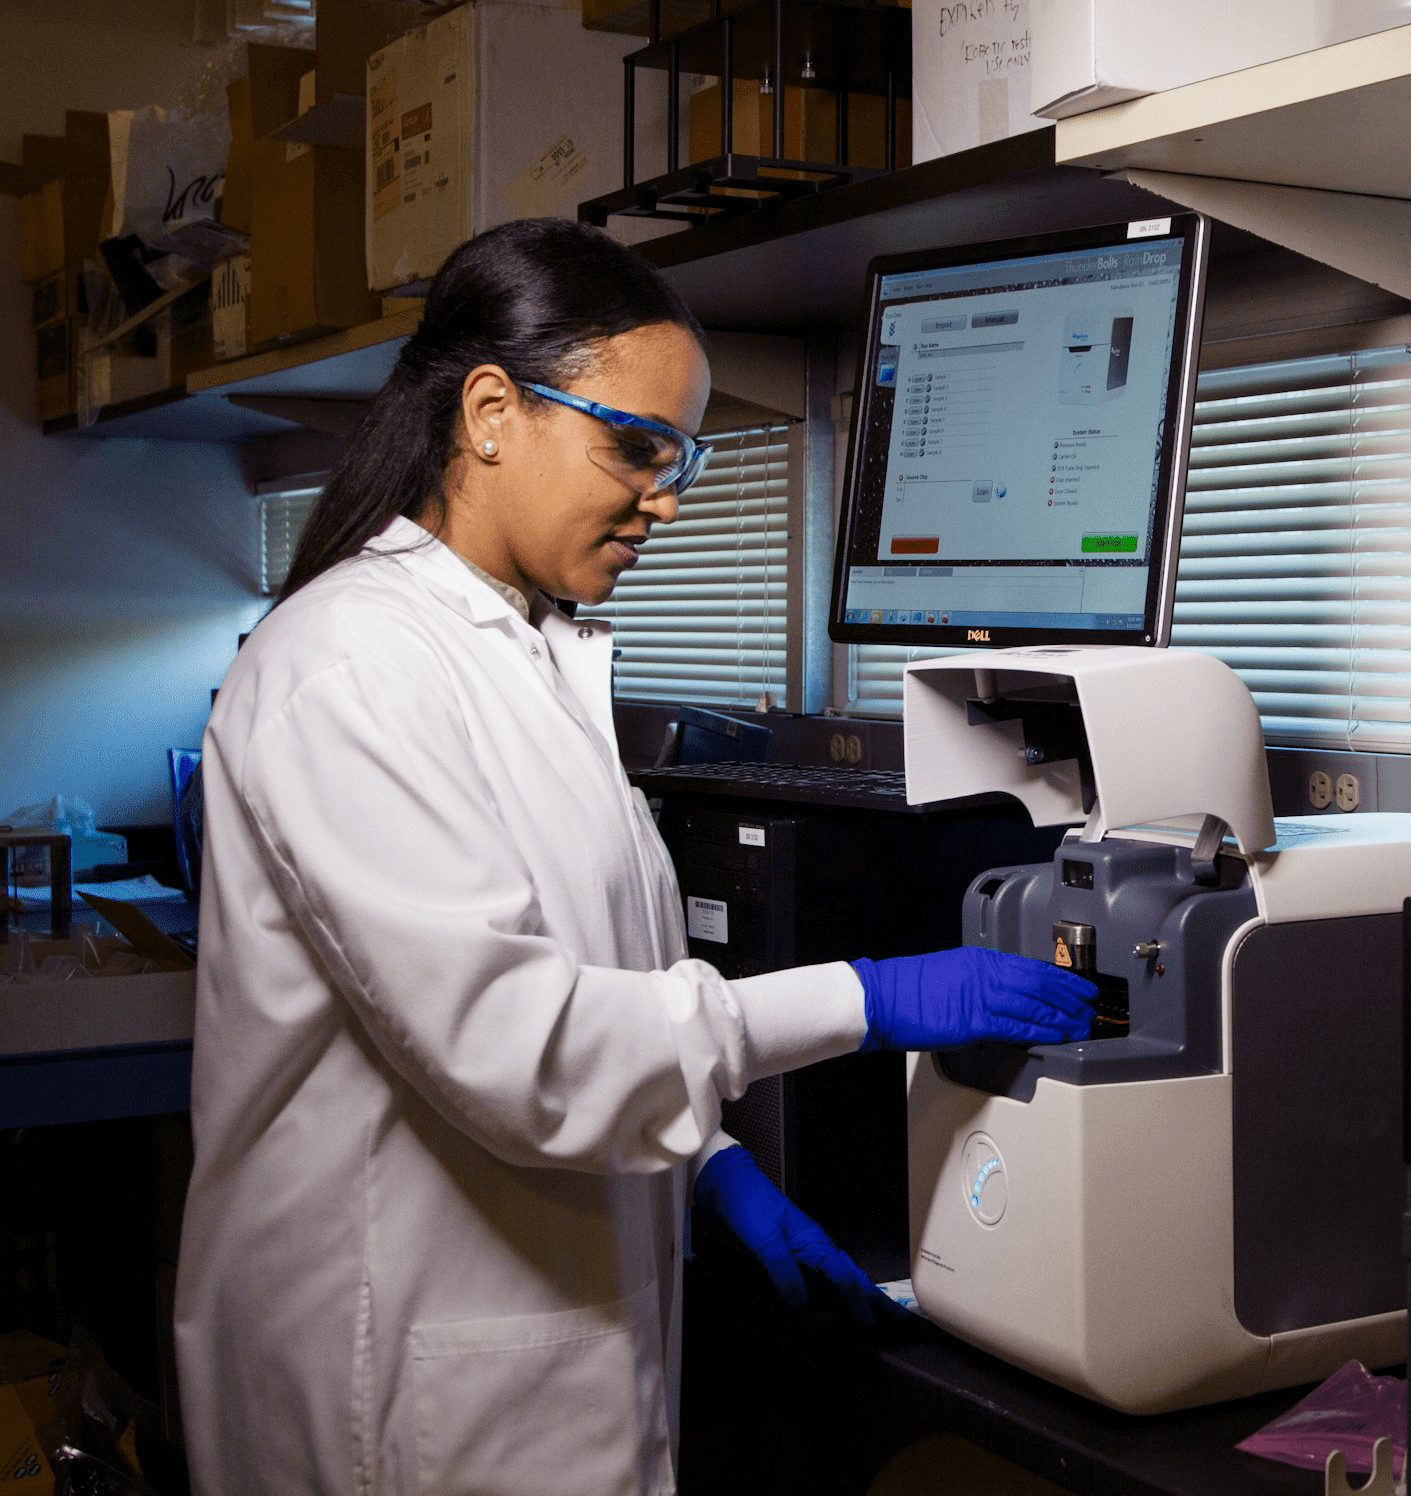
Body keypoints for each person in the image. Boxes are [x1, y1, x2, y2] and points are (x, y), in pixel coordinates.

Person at [172, 218, 1094, 1494]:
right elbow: (519, 1042)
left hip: (539, 1368)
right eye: (637, 447)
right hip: (398, 1394)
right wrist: (870, 996)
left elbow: (607, 980)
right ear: (491, 411)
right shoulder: (349, 669)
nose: (666, 496)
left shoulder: (529, 654)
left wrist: (710, 1164)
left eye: (685, 457)